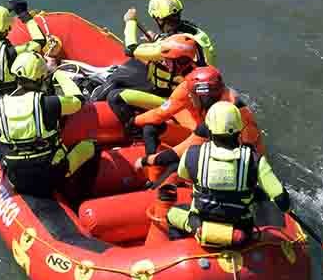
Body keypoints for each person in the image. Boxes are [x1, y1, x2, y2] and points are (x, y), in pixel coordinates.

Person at [0, 52, 95, 197]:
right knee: (89, 146)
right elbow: (78, 101)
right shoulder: (49, 103)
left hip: (17, 179)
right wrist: (58, 75)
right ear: (42, 77)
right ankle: (81, 193)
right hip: (50, 176)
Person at [165, 101, 290, 246]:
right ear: (239, 129)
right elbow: (282, 200)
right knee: (257, 195)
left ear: (209, 129)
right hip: (241, 231)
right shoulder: (255, 160)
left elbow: (184, 175)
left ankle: (183, 247)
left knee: (171, 214)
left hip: (201, 225)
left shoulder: (192, 154)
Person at [133, 66, 265, 173]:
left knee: (177, 166)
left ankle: (156, 186)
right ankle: (154, 174)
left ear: (204, 97)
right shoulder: (220, 101)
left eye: (192, 95)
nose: (190, 98)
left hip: (237, 163)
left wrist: (146, 161)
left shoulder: (221, 118)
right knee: (152, 129)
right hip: (217, 144)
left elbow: (177, 153)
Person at [105, 33, 199, 130]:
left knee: (115, 96)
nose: (165, 63)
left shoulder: (189, 81)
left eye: (168, 61)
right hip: (165, 99)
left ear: (180, 61)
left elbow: (166, 111)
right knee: (117, 83)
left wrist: (135, 121)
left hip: (174, 108)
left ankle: (134, 132)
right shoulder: (192, 71)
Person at [123, 0, 216, 67]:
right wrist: (156, 38)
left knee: (134, 66)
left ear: (158, 19)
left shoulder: (169, 46)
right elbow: (175, 39)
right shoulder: (194, 31)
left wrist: (130, 21)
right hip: (202, 76)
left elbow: (131, 50)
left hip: (181, 86)